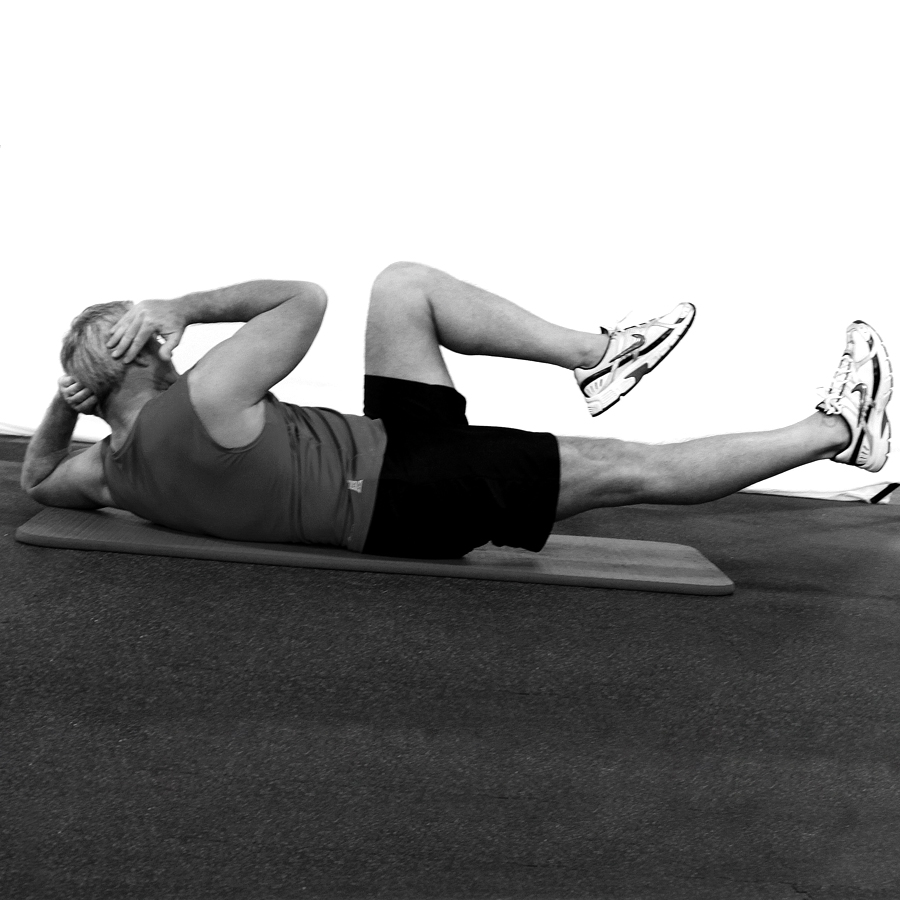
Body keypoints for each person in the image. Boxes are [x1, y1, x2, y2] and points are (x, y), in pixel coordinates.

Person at [20, 262, 892, 559]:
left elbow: (38, 478)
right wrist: (185, 304)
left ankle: (597, 356)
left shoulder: (113, 474)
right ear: (150, 351)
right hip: (406, 495)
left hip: (389, 452)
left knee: (404, 288)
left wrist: (64, 409)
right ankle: (842, 429)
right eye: (153, 336)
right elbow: (302, 299)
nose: (168, 341)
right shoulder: (200, 397)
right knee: (634, 467)